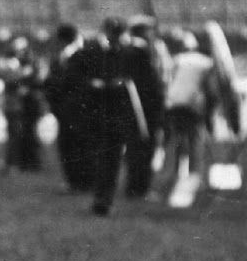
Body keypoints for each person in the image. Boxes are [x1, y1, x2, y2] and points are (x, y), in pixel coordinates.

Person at [73, 16, 144, 216]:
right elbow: (79, 80)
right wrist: (95, 85)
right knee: (101, 159)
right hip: (96, 113)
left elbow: (134, 82)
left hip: (115, 115)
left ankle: (103, 200)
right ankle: (100, 198)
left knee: (111, 159)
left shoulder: (129, 54)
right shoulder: (91, 52)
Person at [160, 31, 217, 197]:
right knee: (194, 142)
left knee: (178, 139)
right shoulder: (206, 63)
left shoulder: (178, 59)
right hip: (191, 105)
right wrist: (209, 113)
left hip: (174, 103)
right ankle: (193, 177)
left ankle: (174, 175)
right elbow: (210, 90)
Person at [43, 23, 92, 192]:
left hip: (72, 108)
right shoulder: (70, 54)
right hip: (70, 108)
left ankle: (78, 182)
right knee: (72, 145)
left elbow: (64, 82)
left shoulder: (74, 55)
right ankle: (78, 181)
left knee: (73, 146)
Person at [122, 16, 168, 199]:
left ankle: (135, 188)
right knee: (142, 150)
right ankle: (139, 189)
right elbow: (148, 84)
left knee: (136, 149)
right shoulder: (139, 52)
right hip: (143, 110)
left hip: (136, 109)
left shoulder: (131, 50)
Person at [0, 36, 44, 172]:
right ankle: (25, 163)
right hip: (21, 103)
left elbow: (35, 82)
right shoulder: (19, 64)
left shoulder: (30, 63)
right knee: (22, 134)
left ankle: (31, 163)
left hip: (29, 103)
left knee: (28, 133)